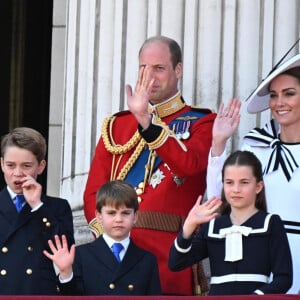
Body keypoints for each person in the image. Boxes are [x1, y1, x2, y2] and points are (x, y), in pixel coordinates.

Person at [83, 35, 216, 295]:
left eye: (159, 68)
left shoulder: (202, 122)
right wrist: (108, 239)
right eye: (144, 68)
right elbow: (93, 193)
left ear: (177, 70)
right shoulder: (116, 125)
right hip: (118, 251)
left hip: (171, 254)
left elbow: (189, 167)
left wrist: (147, 121)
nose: (150, 77)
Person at [206, 53, 300, 294]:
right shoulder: (256, 146)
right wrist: (218, 143)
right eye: (273, 95)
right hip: (258, 254)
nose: (280, 102)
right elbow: (219, 198)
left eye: (289, 93)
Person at [169, 150, 293, 295]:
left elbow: (284, 278)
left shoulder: (271, 223)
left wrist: (255, 298)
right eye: (229, 182)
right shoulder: (213, 226)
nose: (236, 189)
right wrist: (189, 225)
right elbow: (175, 263)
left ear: (258, 186)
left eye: (244, 182)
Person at [44, 180, 161, 295]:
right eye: (111, 213)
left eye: (125, 213)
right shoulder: (81, 255)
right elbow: (72, 296)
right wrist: (66, 274)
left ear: (135, 216)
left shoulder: (147, 260)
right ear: (99, 216)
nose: (118, 219)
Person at [0, 127, 74, 295]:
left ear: (41, 166)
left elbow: (65, 252)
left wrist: (38, 206)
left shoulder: (57, 208)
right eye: (11, 165)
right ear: (2, 164)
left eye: (26, 166)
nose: (17, 173)